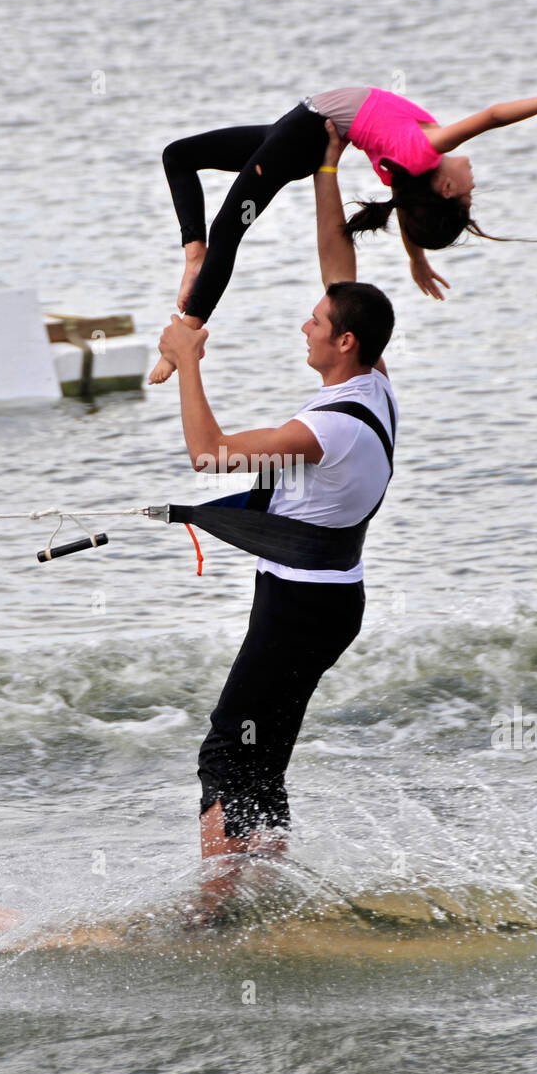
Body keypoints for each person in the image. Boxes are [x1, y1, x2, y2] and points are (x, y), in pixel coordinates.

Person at [157, 121, 396, 860]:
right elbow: (338, 266)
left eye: (318, 323)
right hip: (324, 599)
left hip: (299, 604)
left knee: (228, 750)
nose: (306, 323)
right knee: (263, 753)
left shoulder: (325, 428)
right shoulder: (375, 383)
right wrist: (326, 169)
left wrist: (187, 358)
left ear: (343, 343)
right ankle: (262, 885)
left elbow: (210, 456)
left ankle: (215, 910)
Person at [150, 78, 537, 384]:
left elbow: (492, 115)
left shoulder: (428, 149)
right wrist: (416, 259)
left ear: (447, 186)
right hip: (297, 130)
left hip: (304, 135)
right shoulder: (406, 171)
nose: (474, 183)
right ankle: (195, 255)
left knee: (229, 227)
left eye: (468, 194)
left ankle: (189, 328)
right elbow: (410, 204)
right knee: (179, 155)